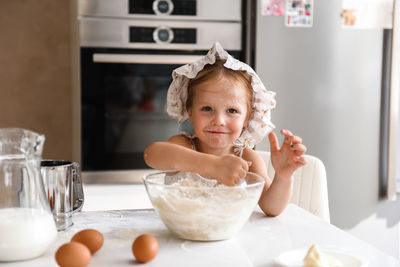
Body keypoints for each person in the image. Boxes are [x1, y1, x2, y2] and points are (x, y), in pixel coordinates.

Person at [144, 43, 307, 217]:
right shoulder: (184, 145)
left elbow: (271, 208)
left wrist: (282, 177)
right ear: (190, 112)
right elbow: (152, 154)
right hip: (183, 234)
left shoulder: (246, 157)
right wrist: (213, 166)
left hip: (227, 238)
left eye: (232, 111)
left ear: (247, 118)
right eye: (207, 109)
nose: (219, 121)